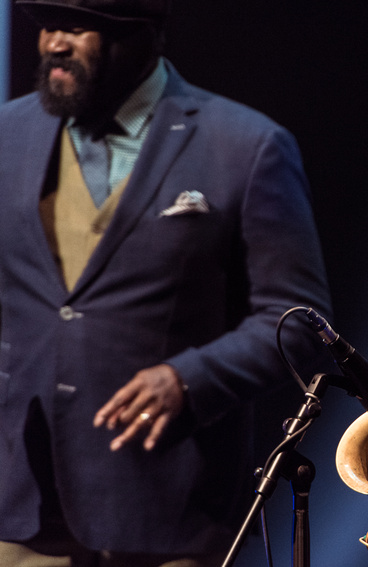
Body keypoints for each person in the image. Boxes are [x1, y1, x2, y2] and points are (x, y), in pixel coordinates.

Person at [0, 0, 332, 565]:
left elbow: (299, 323)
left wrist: (189, 378)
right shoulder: (9, 132)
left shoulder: (245, 146)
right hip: (23, 502)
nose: (53, 42)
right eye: (46, 25)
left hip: (166, 507)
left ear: (143, 34)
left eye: (76, 28)